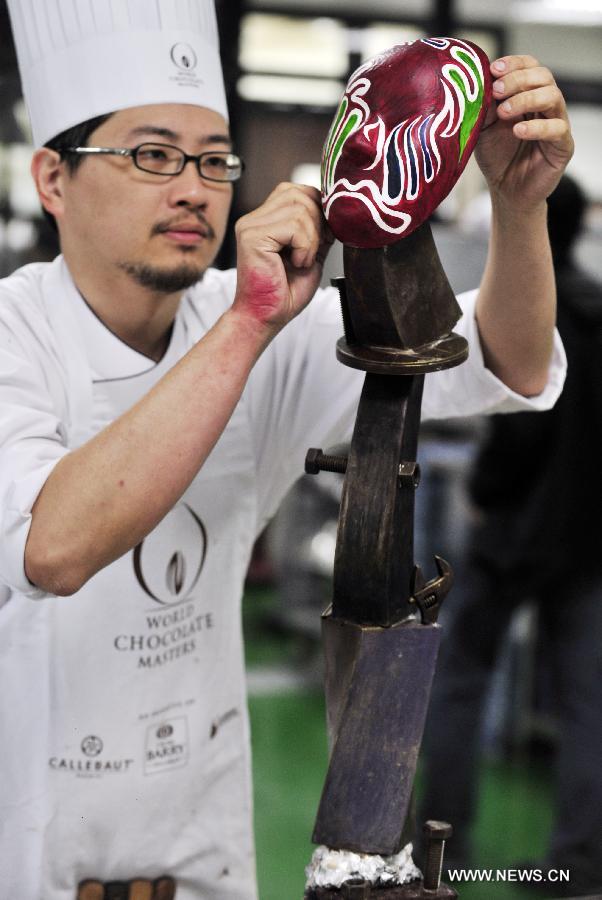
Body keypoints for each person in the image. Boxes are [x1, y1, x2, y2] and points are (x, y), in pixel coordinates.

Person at [0, 2, 572, 897]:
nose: (194, 187)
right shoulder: (19, 335)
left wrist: (517, 204)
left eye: (213, 160)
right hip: (24, 837)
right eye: (151, 155)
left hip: (200, 836)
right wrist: (248, 326)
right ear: (53, 178)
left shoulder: (260, 313)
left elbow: (511, 360)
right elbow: (53, 546)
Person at [419, 175, 602, 897]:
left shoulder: (527, 310)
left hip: (512, 535)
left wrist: (488, 501)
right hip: (587, 541)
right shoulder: (599, 306)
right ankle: (579, 864)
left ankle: (444, 845)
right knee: (587, 702)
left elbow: (519, 430)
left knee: (462, 679)